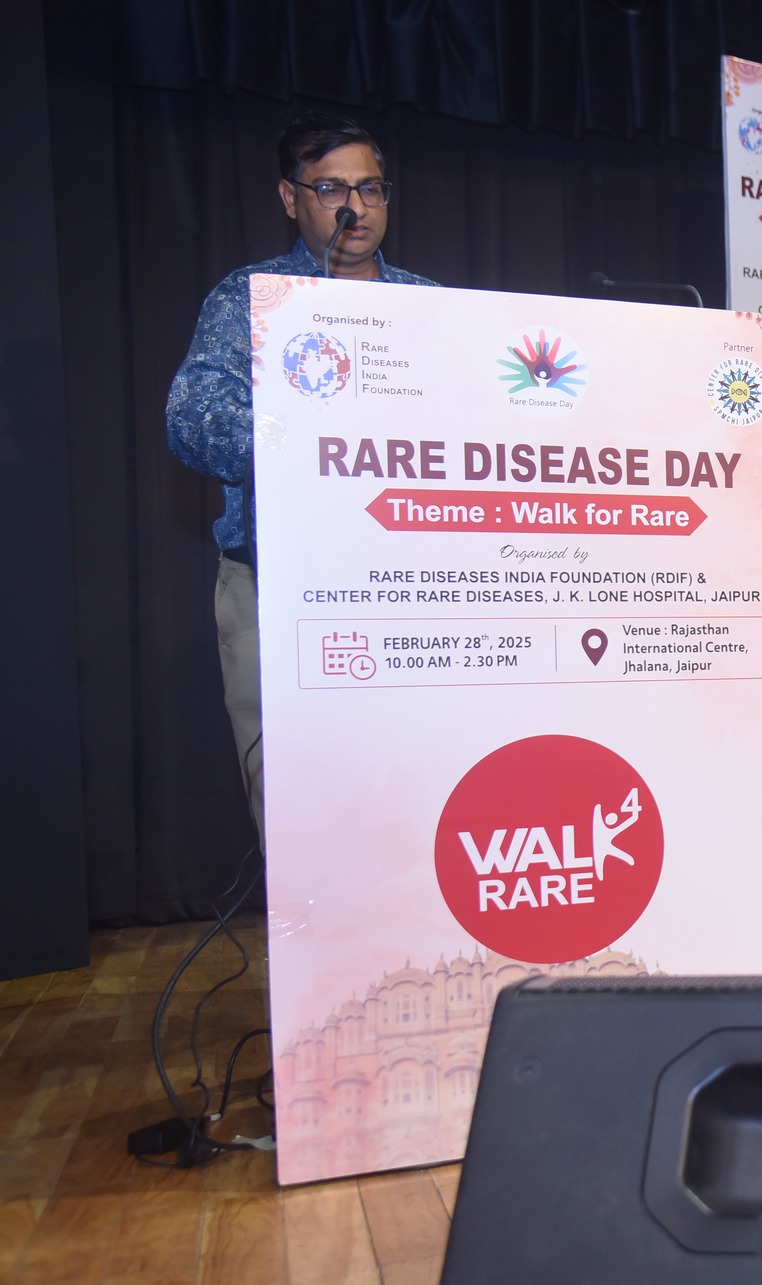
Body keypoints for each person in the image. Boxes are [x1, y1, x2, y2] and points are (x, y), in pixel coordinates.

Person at [167, 111, 439, 844]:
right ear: (291, 198)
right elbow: (190, 420)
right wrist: (302, 437)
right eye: (331, 189)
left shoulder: (432, 306)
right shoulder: (252, 299)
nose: (356, 207)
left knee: (416, 793)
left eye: (371, 188)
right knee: (302, 819)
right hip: (277, 584)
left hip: (416, 589)